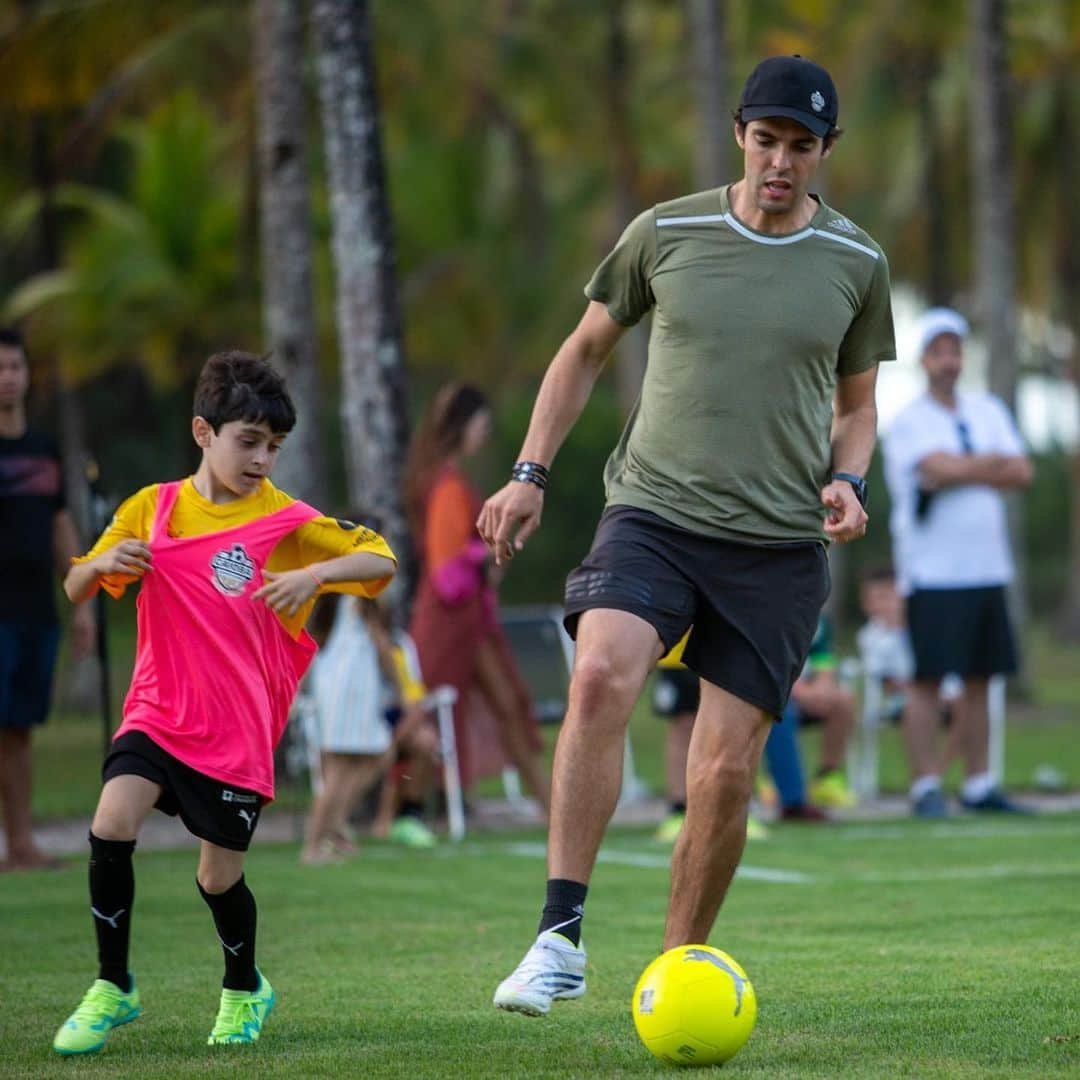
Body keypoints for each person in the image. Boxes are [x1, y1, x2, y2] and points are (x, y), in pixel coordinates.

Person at [479, 54, 895, 1016]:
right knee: (598, 674)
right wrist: (530, 473)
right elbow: (583, 351)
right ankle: (559, 937)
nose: (780, 161)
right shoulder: (665, 232)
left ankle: (675, 972)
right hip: (654, 514)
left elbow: (860, 406)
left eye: (801, 146)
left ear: (826, 151)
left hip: (780, 546)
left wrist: (847, 477)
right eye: (767, 140)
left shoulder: (858, 261)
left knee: (722, 771)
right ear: (740, 136)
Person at [52, 351, 396, 1055]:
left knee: (218, 875)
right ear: (203, 432)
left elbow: (382, 561)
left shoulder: (286, 521)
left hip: (236, 732)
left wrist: (317, 576)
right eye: (249, 440)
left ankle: (244, 987)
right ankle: (112, 985)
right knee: (113, 819)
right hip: (157, 709)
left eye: (274, 446)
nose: (263, 458)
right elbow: (75, 586)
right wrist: (98, 565)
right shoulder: (155, 509)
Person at [883, 308, 1032, 818]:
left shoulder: (987, 409)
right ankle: (926, 786)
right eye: (939, 351)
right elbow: (933, 466)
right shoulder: (907, 421)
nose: (949, 361)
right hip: (932, 571)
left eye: (955, 351)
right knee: (926, 679)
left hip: (987, 567)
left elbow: (1021, 470)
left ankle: (978, 784)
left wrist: (960, 469)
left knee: (981, 678)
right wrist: (987, 465)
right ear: (924, 359)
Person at [406, 382, 550, 817]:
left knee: (502, 705)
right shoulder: (448, 485)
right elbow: (446, 567)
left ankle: (549, 805)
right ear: (463, 426)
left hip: (469, 619)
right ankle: (402, 810)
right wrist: (489, 553)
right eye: (481, 425)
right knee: (434, 712)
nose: (484, 434)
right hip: (450, 619)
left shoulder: (443, 479)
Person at [0, 327, 95, 872]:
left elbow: (61, 524)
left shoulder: (44, 449)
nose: (9, 377)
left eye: (16, 366)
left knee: (20, 730)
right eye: (1, 367)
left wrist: (81, 599)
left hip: (37, 609)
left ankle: (20, 843)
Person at [300, 592, 439, 863]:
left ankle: (334, 826)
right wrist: (400, 690)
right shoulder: (360, 593)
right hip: (352, 688)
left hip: (333, 686)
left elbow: (315, 639)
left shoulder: (334, 598)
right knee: (340, 772)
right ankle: (314, 845)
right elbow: (380, 644)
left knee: (376, 756)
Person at [791, 614, 858, 809]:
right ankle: (775, 779)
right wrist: (799, 692)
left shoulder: (819, 621)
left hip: (809, 694)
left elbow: (824, 664)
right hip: (777, 693)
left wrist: (823, 689)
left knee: (843, 702)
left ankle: (827, 776)